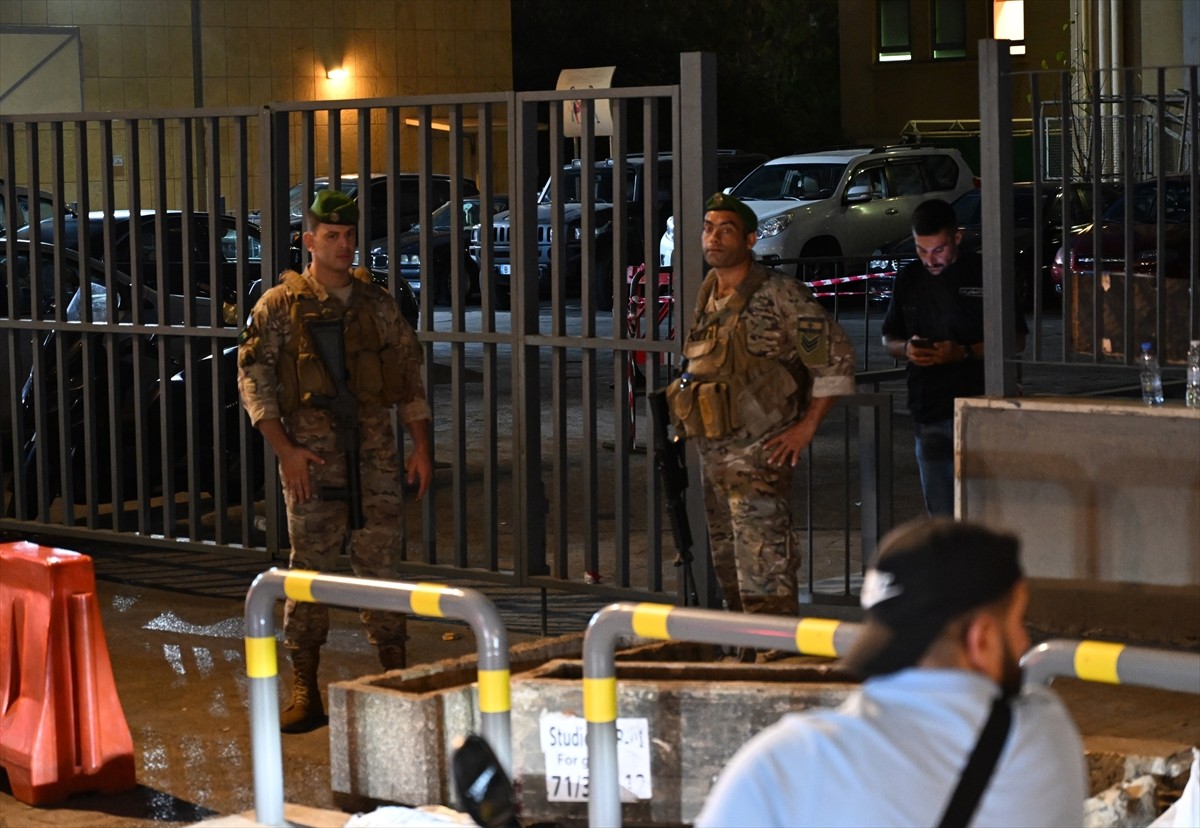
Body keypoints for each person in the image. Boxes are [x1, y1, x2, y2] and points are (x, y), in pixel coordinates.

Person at [696, 518, 1087, 828]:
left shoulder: (790, 762)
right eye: (1017, 622)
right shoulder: (1044, 735)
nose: (1024, 642)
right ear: (981, 637)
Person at [237, 190, 432, 733]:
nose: (343, 246)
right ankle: (305, 686)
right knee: (309, 572)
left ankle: (395, 678)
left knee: (381, 570)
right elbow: (255, 383)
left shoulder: (378, 305)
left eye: (349, 236)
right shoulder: (278, 306)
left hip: (375, 458)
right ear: (310, 240)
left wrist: (420, 447)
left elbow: (409, 376)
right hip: (313, 461)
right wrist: (287, 453)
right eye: (331, 236)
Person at [666, 192, 856, 621]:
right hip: (714, 450)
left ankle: (776, 652)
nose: (713, 237)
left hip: (760, 452)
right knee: (727, 555)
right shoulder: (709, 291)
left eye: (726, 229)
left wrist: (806, 427)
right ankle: (745, 646)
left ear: (750, 239)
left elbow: (835, 358)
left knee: (764, 558)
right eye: (708, 227)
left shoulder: (780, 294)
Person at [881, 198, 1027, 517]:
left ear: (957, 238)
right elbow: (888, 337)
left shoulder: (987, 274)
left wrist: (962, 352)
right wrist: (906, 349)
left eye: (939, 250)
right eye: (921, 250)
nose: (930, 260)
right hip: (929, 408)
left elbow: (1016, 339)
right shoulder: (909, 278)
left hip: (981, 408)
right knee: (942, 514)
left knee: (988, 511)